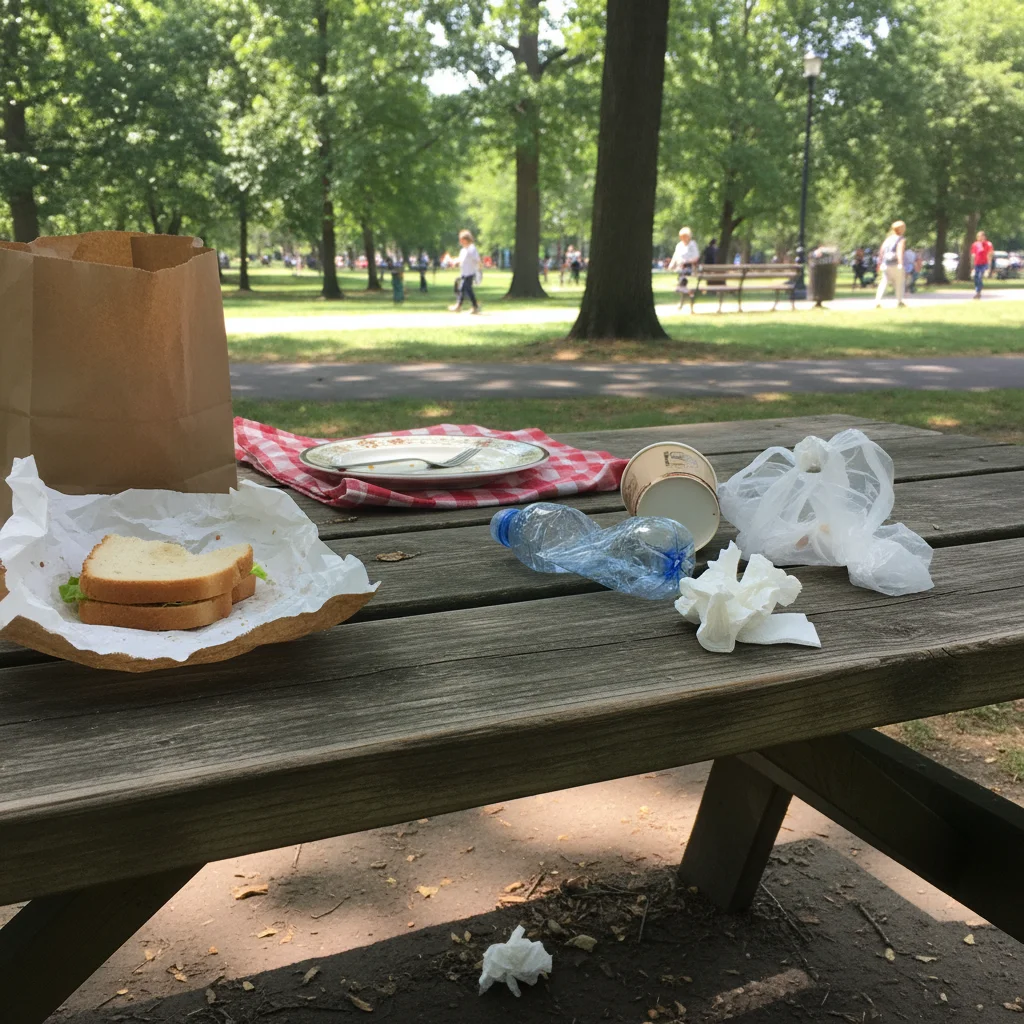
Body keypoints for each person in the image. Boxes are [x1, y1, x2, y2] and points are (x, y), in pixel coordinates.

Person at [875, 220, 907, 308]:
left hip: (886, 264)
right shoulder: (901, 239)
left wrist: (879, 262)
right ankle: (899, 301)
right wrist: (901, 263)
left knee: (884, 282)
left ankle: (878, 301)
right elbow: (899, 251)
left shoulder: (888, 239)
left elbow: (881, 251)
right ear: (901, 229)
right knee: (899, 283)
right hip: (895, 264)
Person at [448, 229, 481, 314]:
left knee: (465, 289)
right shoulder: (463, 250)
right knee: (463, 289)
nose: (460, 241)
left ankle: (468, 306)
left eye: (462, 239)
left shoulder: (472, 249)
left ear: (466, 239)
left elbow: (477, 260)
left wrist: (479, 271)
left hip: (470, 273)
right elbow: (461, 260)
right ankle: (471, 306)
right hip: (464, 273)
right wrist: (453, 261)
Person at [668, 227, 700, 309]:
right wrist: (671, 265)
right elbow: (675, 256)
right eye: (681, 236)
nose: (682, 238)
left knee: (681, 281)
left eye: (684, 236)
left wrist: (686, 261)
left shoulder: (692, 244)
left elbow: (696, 257)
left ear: (689, 236)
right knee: (682, 282)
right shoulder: (679, 245)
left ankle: (682, 291)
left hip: (689, 266)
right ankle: (688, 292)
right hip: (680, 267)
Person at [971, 230, 994, 298]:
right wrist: (972, 267)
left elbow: (990, 255)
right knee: (976, 278)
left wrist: (989, 268)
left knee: (980, 276)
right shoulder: (975, 244)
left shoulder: (988, 244)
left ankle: (978, 292)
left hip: (984, 264)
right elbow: (973, 255)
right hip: (977, 264)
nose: (979, 238)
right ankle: (978, 291)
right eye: (978, 236)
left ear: (984, 237)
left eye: (980, 236)